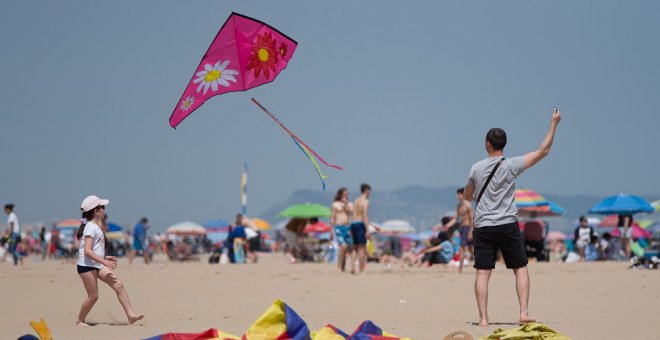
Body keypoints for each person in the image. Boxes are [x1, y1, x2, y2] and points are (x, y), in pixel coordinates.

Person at [463, 108, 561, 327]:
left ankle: (483, 319)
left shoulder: (476, 168)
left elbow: (468, 196)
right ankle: (523, 312)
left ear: (487, 143)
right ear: (504, 144)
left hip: (484, 225)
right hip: (507, 223)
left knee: (483, 272)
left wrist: (476, 193)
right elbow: (543, 151)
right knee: (520, 268)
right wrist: (554, 123)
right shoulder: (512, 164)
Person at [75, 195, 143, 326]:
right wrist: (104, 262)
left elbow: (94, 249)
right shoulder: (90, 227)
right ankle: (80, 320)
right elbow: (87, 251)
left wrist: (105, 258)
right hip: (86, 266)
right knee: (93, 296)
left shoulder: (96, 226)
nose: (104, 210)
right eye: (103, 207)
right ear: (96, 211)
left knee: (118, 285)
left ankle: (130, 315)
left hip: (97, 264)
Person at [443, 188, 475, 273]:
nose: (457, 196)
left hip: (468, 227)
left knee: (468, 249)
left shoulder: (468, 205)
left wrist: (471, 231)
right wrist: (447, 225)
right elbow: (455, 219)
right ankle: (460, 268)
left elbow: (472, 218)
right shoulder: (458, 206)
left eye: (459, 194)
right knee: (465, 248)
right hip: (462, 228)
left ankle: (461, 268)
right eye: (457, 195)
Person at [352, 183, 379, 273]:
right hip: (360, 224)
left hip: (353, 223)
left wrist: (372, 225)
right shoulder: (365, 202)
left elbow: (355, 214)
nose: (370, 194)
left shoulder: (356, 200)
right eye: (369, 192)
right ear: (367, 191)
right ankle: (361, 268)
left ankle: (352, 267)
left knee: (355, 247)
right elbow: (364, 216)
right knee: (362, 247)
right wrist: (367, 229)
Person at [330, 187, 355, 273]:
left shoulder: (350, 204)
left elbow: (351, 213)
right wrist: (331, 230)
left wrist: (346, 205)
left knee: (350, 248)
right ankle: (339, 266)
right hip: (339, 228)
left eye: (347, 194)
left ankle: (348, 267)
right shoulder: (335, 204)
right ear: (340, 194)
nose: (346, 196)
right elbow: (332, 218)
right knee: (343, 247)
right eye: (345, 194)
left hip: (348, 227)